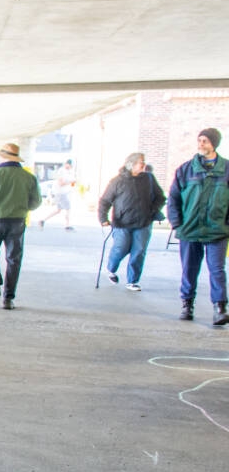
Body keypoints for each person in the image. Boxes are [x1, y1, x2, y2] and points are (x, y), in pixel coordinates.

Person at [167, 127, 229, 325]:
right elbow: (174, 198)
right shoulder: (185, 170)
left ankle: (220, 308)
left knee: (217, 270)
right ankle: (187, 305)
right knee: (189, 269)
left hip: (217, 230)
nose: (201, 144)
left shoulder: (227, 170)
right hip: (190, 230)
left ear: (214, 144)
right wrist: (177, 222)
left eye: (205, 141)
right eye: (200, 140)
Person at [0, 143, 42, 310]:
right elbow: (36, 202)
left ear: (3, 157)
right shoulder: (28, 177)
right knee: (14, 259)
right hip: (18, 221)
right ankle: (8, 298)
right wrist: (20, 206)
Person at [97, 153, 166, 291]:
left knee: (139, 251)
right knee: (121, 248)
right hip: (122, 223)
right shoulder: (117, 181)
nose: (143, 164)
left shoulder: (149, 179)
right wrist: (103, 218)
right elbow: (105, 201)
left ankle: (133, 281)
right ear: (131, 164)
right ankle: (111, 268)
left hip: (143, 222)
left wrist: (153, 210)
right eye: (140, 162)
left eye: (143, 162)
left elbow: (160, 197)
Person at [39, 158, 76, 230]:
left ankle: (43, 220)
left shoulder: (69, 172)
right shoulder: (62, 171)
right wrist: (71, 181)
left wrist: (72, 183)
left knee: (58, 210)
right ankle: (67, 225)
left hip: (63, 193)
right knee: (68, 208)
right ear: (66, 164)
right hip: (61, 193)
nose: (70, 167)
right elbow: (61, 183)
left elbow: (71, 184)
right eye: (69, 165)